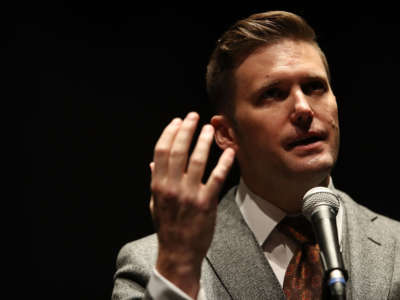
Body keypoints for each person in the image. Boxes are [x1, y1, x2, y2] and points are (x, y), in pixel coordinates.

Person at [112, 11, 400, 300]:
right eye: (273, 94)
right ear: (226, 133)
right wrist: (178, 270)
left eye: (314, 87)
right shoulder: (152, 267)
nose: (303, 108)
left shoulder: (396, 247)